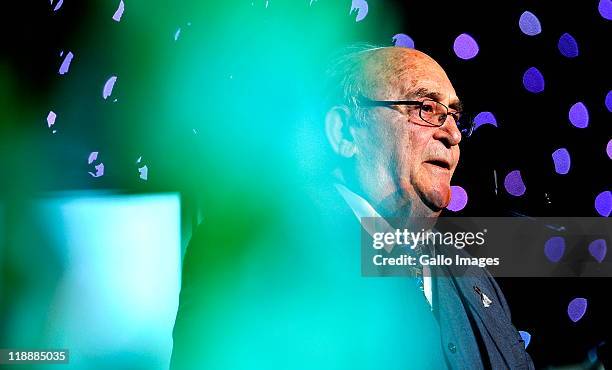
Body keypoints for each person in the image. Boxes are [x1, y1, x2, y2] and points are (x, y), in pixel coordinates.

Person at [170, 44, 535, 369]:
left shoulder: (470, 271)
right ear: (345, 133)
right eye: (425, 108)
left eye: (454, 116)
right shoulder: (259, 253)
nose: (453, 134)